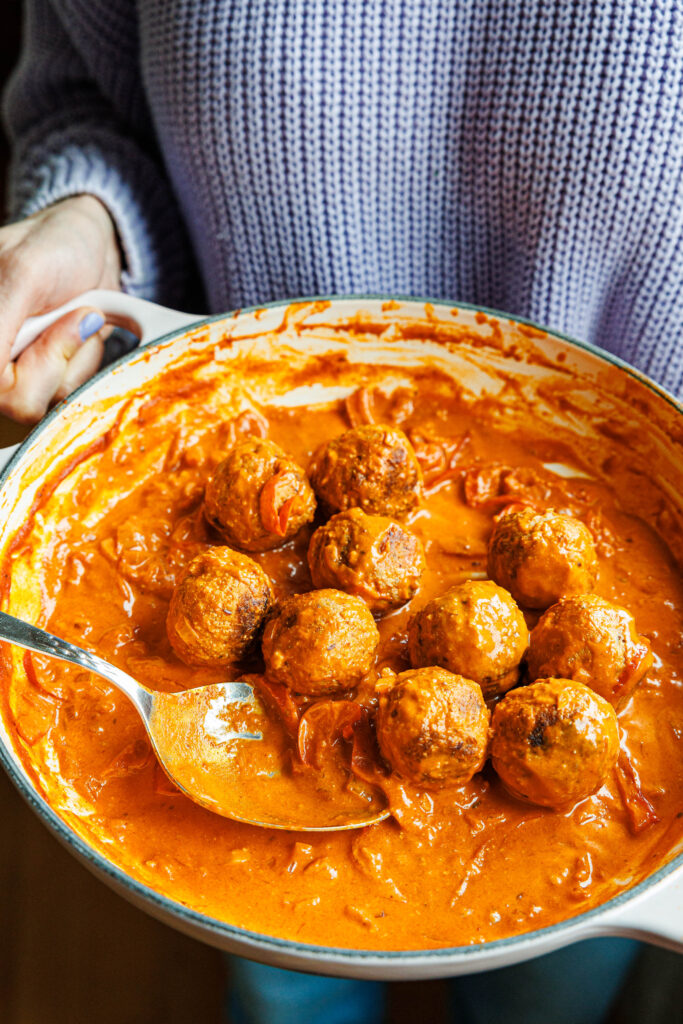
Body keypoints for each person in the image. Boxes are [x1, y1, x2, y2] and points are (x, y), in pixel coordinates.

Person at [1, 1, 678, 1021]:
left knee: (551, 990)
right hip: (261, 453)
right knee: (287, 989)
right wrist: (90, 221)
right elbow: (89, 98)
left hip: (632, 460)